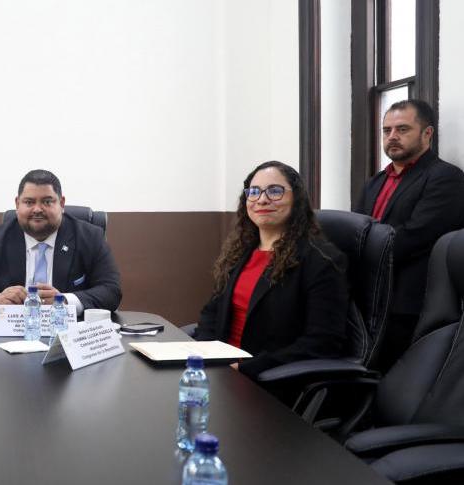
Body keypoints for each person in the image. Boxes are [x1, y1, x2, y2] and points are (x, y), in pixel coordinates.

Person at [196, 161, 349, 378]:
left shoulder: (321, 260)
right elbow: (212, 312)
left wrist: (248, 368)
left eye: (275, 191)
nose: (262, 199)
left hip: (268, 379)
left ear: (296, 198)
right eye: (254, 192)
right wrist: (203, 355)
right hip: (221, 372)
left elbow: (323, 342)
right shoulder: (240, 252)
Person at [353, 99, 464, 371]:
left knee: (397, 380)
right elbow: (355, 230)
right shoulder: (374, 183)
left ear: (427, 133)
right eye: (387, 130)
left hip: (409, 306)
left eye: (402, 129)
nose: (392, 136)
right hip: (368, 301)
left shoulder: (445, 178)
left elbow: (415, 237)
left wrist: (360, 253)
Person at [0, 169, 121, 315]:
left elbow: (111, 291)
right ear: (17, 204)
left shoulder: (90, 237)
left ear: (61, 203)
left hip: (68, 332)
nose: (37, 209)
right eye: (29, 202)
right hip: (10, 330)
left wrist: (64, 301)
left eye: (47, 202)